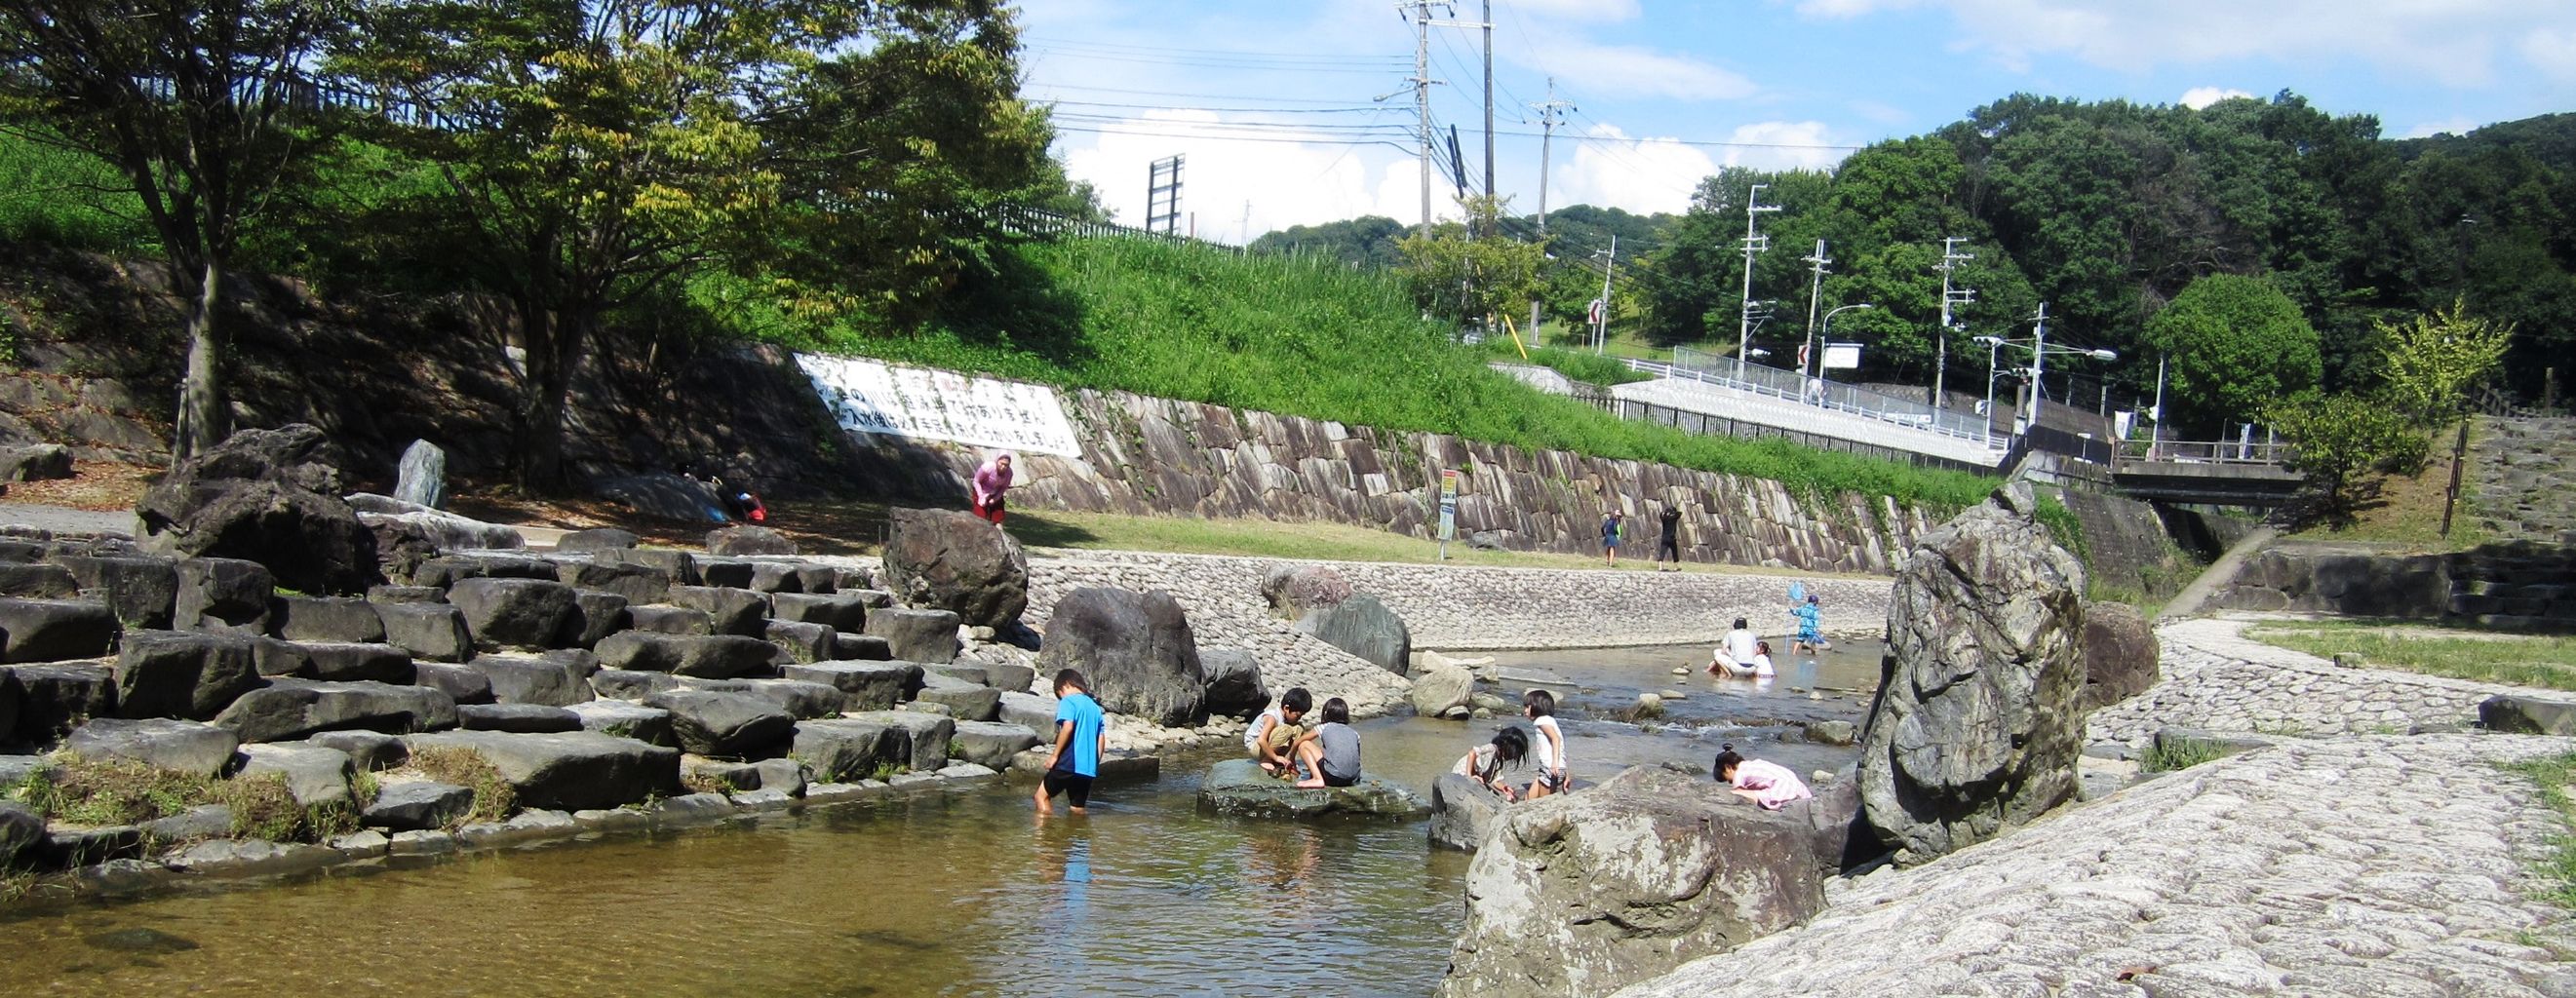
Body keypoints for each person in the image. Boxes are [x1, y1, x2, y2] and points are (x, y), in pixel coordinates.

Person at [1035, 669, 1106, 815]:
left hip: (1068, 763)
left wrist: (1054, 756)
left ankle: (1046, 829)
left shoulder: (1069, 701)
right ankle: (1079, 829)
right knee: (1077, 808)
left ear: (1065, 685)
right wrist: (1095, 762)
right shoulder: (1095, 708)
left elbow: (1068, 727)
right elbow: (1101, 738)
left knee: (1041, 797)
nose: (1061, 698)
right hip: (1087, 768)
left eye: (1060, 694)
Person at [1713, 743, 1813, 811]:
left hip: (1783, 791)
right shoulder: (1754, 764)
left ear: (1728, 767)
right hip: (1800, 790)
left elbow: (1737, 794)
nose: (1730, 782)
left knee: (1735, 793)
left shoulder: (1739, 773)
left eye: (1727, 779)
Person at [1289, 697, 1361, 788]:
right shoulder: (1354, 733)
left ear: (1325, 714)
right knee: (1326, 751)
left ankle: (1317, 779)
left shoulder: (1324, 727)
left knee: (1304, 744)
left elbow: (1297, 742)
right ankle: (1318, 775)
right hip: (1352, 778)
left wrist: (1291, 759)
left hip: (1333, 777)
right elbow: (1356, 758)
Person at [1244, 687, 1313, 779]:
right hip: (1256, 747)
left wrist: (1293, 759)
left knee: (1298, 728)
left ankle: (1281, 758)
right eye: (1297, 716)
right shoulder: (1272, 717)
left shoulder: (1286, 718)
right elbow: (1261, 740)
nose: (1299, 718)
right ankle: (1267, 760)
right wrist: (1276, 758)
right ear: (1286, 708)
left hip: (1267, 747)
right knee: (1286, 730)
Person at [1453, 726, 1530, 801]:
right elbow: (1472, 753)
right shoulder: (1492, 748)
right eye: (1516, 754)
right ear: (1508, 747)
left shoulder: (1498, 760)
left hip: (1474, 777)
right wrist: (1469, 777)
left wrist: (1503, 788)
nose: (1514, 757)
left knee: (1494, 794)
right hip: (1461, 774)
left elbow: (1495, 781)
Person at [1523, 689, 1568, 799]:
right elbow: (1561, 748)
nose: (1525, 710)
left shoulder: (1542, 721)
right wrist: (1566, 773)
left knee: (1543, 802)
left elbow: (1555, 739)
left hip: (1550, 768)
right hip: (1554, 768)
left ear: (1537, 707)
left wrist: (1555, 763)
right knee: (1528, 799)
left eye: (1527, 707)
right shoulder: (1550, 720)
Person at [970, 453, 1015, 525]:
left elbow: (1003, 487)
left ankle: (998, 529)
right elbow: (976, 481)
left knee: (998, 517)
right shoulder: (987, 467)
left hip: (996, 493)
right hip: (981, 491)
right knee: (980, 516)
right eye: (1002, 463)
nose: (1003, 467)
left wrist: (995, 498)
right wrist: (981, 496)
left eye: (1006, 465)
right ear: (997, 461)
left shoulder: (1009, 473)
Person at [1655, 505, 1683, 572]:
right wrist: (1672, 513)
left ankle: (1660, 567)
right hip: (1671, 538)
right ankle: (1676, 567)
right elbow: (1679, 513)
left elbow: (1661, 515)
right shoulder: (1673, 518)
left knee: (1662, 552)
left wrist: (1666, 513)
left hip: (1664, 537)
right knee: (1674, 552)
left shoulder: (1664, 518)